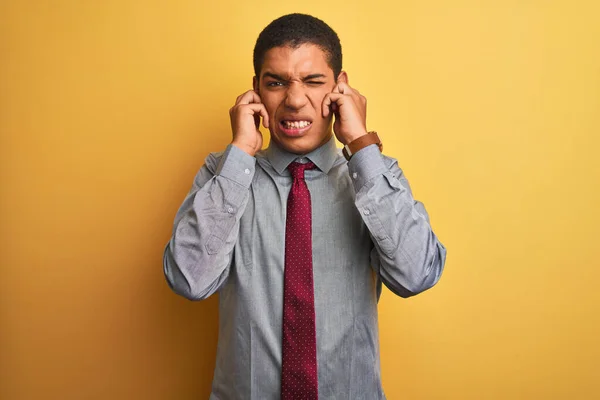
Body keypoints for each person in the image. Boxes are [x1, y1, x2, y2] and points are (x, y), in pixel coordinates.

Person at [163, 13, 446, 400]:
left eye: (313, 81)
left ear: (340, 88)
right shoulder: (222, 174)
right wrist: (241, 152)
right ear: (256, 92)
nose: (295, 101)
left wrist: (362, 145)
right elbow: (189, 280)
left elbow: (417, 275)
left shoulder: (373, 175)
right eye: (276, 83)